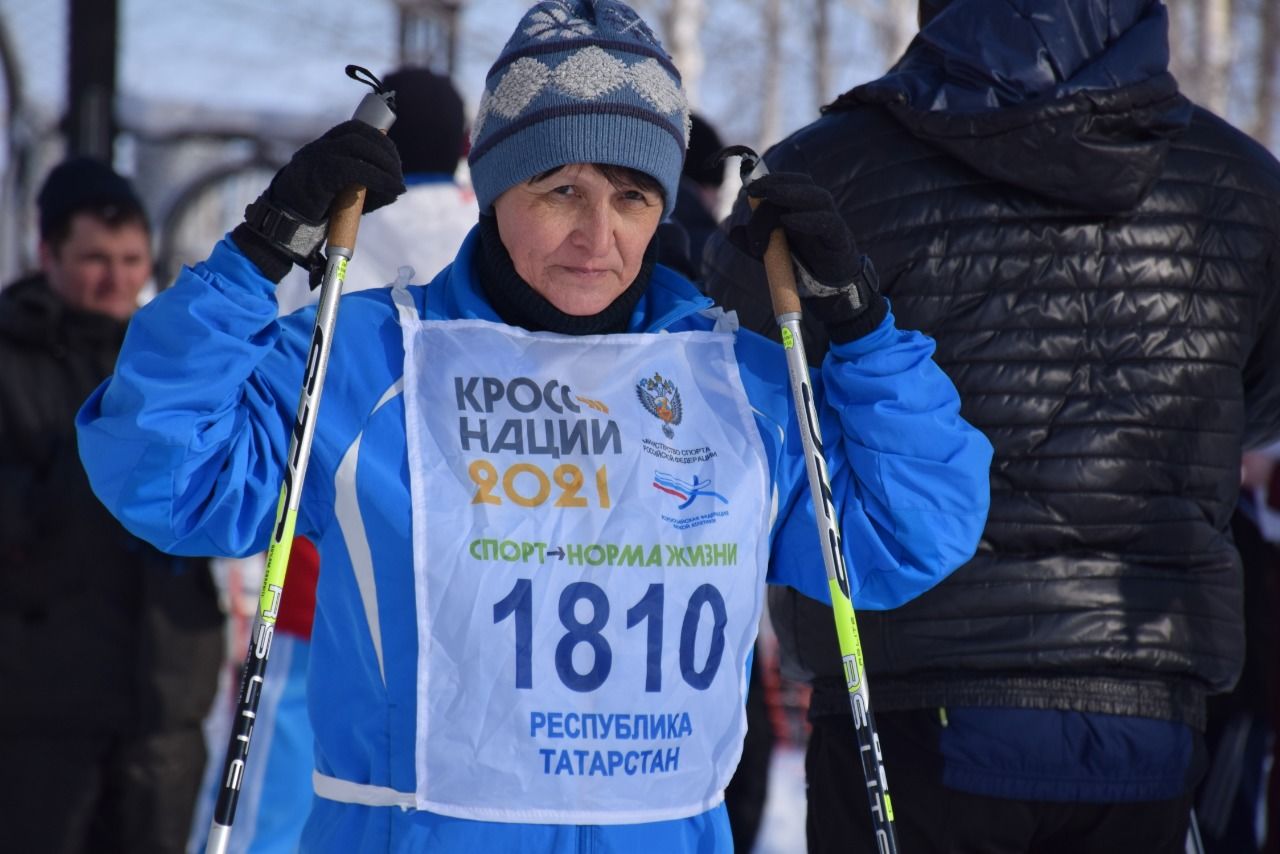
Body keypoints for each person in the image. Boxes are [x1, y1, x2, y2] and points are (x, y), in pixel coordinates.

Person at [76, 0, 993, 850]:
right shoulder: (374, 361)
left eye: (633, 196)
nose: (598, 236)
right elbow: (162, 471)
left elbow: (905, 534)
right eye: (561, 188)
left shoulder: (733, 383)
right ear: (495, 183)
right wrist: (259, 254)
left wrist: (864, 329)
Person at [701, 0, 1280, 852]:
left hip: (908, 687)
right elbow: (1257, 400)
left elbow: (730, 357)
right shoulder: (1238, 183)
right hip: (1146, 679)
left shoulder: (835, 168)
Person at [0, 156, 225, 853]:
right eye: (95, 258)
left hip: (165, 696)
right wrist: (95, 459)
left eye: (131, 259)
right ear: (47, 254)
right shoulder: (11, 356)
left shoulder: (165, 356)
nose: (117, 278)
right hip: (40, 702)